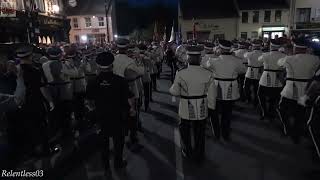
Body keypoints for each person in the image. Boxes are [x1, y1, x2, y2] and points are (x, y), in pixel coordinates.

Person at [170, 44, 216, 163]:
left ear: (188, 58)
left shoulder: (181, 73)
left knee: (184, 129)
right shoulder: (208, 73)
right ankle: (199, 154)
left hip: (186, 106)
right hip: (201, 105)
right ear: (200, 58)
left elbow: (174, 91)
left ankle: (187, 150)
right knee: (200, 131)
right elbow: (212, 94)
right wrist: (211, 108)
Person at [86, 52, 131, 172]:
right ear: (112, 65)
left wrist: (94, 112)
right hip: (118, 115)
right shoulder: (120, 81)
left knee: (103, 142)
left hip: (101, 116)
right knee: (118, 141)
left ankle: (105, 165)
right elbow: (128, 98)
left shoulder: (92, 81)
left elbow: (89, 101)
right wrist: (131, 111)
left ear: (98, 66)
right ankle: (118, 162)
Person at [277, 38, 320, 144]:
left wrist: (288, 54)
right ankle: (296, 134)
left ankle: (288, 128)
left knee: (281, 108)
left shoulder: (289, 58)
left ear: (295, 47)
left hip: (290, 89)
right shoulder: (315, 59)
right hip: (306, 90)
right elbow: (315, 71)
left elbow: (279, 63)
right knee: (300, 114)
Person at [14, 45, 54, 159]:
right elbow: (42, 87)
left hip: (21, 102)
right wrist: (50, 101)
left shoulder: (15, 70)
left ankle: (31, 151)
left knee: (28, 127)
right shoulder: (35, 70)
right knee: (42, 126)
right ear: (30, 56)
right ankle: (46, 150)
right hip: (35, 101)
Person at [206, 40, 246, 141]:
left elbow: (207, 66)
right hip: (231, 89)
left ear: (220, 49)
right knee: (227, 114)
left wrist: (215, 55)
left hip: (217, 89)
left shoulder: (214, 60)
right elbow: (243, 70)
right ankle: (225, 134)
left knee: (214, 113)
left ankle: (216, 133)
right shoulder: (237, 60)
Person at [113, 37, 144, 147]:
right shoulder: (130, 61)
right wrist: (139, 60)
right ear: (127, 47)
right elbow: (141, 71)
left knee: (120, 112)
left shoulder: (113, 59)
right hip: (130, 87)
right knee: (133, 112)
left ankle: (122, 134)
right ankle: (133, 136)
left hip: (116, 90)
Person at [257, 39, 286, 120]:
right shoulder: (284, 56)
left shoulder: (265, 55)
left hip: (266, 78)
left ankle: (264, 112)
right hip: (278, 77)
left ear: (271, 46)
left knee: (260, 95)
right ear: (279, 47)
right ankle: (271, 112)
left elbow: (259, 60)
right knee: (274, 97)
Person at [244, 39, 263, 106]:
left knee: (246, 87)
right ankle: (256, 101)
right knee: (256, 88)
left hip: (250, 72)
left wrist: (250, 50)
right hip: (258, 73)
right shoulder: (263, 54)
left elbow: (245, 55)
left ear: (253, 46)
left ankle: (248, 99)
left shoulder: (249, 53)